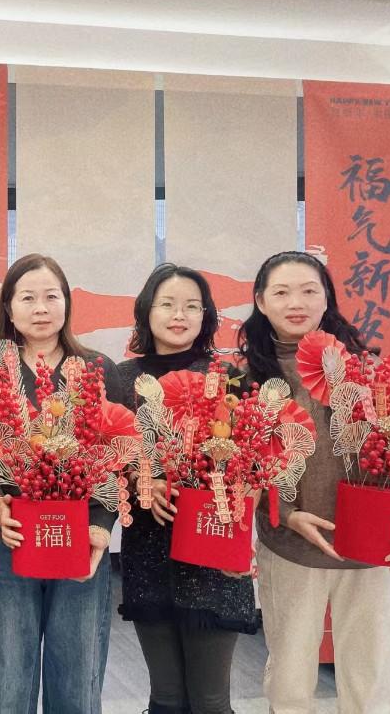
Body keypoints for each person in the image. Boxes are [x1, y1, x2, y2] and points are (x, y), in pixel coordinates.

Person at [238, 251, 390, 713]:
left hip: (375, 550)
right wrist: (286, 515)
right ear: (261, 301)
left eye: (309, 290)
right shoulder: (246, 380)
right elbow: (242, 472)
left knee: (370, 686)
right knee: (290, 685)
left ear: (327, 298)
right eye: (282, 292)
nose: (296, 302)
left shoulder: (367, 369)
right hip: (291, 550)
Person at [0, 253, 123, 714]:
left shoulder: (97, 369)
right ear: (9, 308)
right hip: (9, 541)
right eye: (28, 298)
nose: (40, 308)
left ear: (67, 303)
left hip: (81, 541)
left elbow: (118, 461)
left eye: (51, 296)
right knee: (8, 682)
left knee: (76, 680)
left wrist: (101, 526)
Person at [115, 263, 257, 714]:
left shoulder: (230, 377)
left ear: (206, 315)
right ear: (147, 311)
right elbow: (105, 455)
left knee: (211, 700)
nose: (180, 315)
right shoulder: (122, 378)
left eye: (192, 306)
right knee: (166, 697)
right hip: (149, 549)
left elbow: (253, 461)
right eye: (168, 304)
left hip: (214, 551)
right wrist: (142, 479)